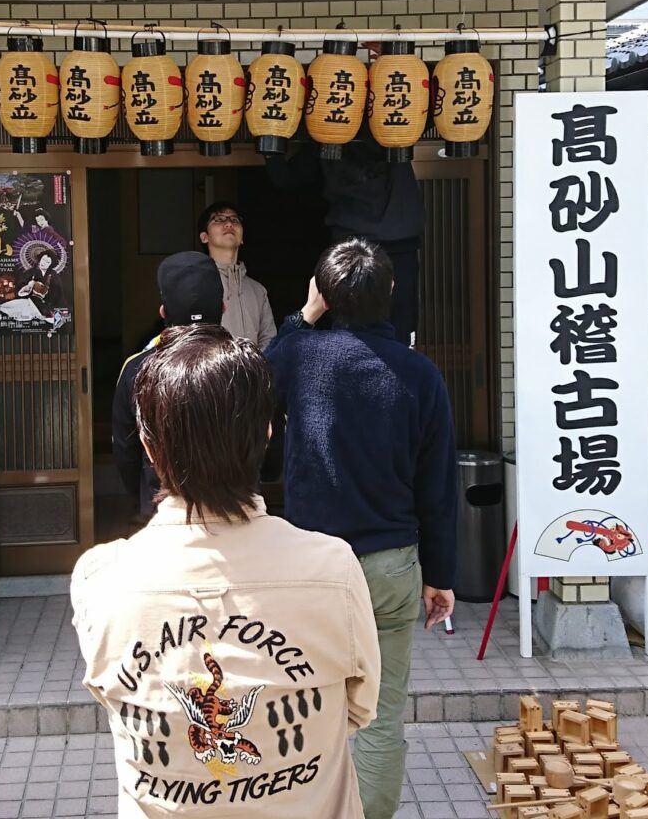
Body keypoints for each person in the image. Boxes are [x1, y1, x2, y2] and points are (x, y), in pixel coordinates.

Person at [73, 325, 381, 818]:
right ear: (266, 435)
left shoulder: (100, 579)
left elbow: (117, 700)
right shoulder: (333, 569)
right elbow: (359, 709)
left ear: (150, 449)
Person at [263, 238, 455, 819]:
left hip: (311, 564)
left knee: (304, 700)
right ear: (391, 293)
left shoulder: (298, 356)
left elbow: (256, 383)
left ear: (325, 293)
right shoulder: (420, 374)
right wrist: (442, 575)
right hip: (392, 563)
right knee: (381, 711)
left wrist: (302, 317)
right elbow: (437, 486)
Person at [266, 140, 422, 345]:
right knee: (376, 330)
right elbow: (286, 176)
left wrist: (269, 144)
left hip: (378, 238)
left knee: (362, 330)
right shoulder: (325, 132)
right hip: (373, 238)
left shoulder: (386, 123)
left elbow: (286, 176)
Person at [114, 252, 223, 517]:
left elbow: (126, 447)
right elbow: (270, 445)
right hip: (237, 507)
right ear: (223, 307)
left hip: (163, 506)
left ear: (163, 311)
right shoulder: (249, 362)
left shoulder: (137, 367)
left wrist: (140, 495)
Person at [197, 201, 277, 349]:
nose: (228, 223)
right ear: (204, 237)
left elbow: (269, 341)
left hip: (253, 371)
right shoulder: (196, 284)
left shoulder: (258, 290)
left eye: (234, 220)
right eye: (219, 219)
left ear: (242, 239)